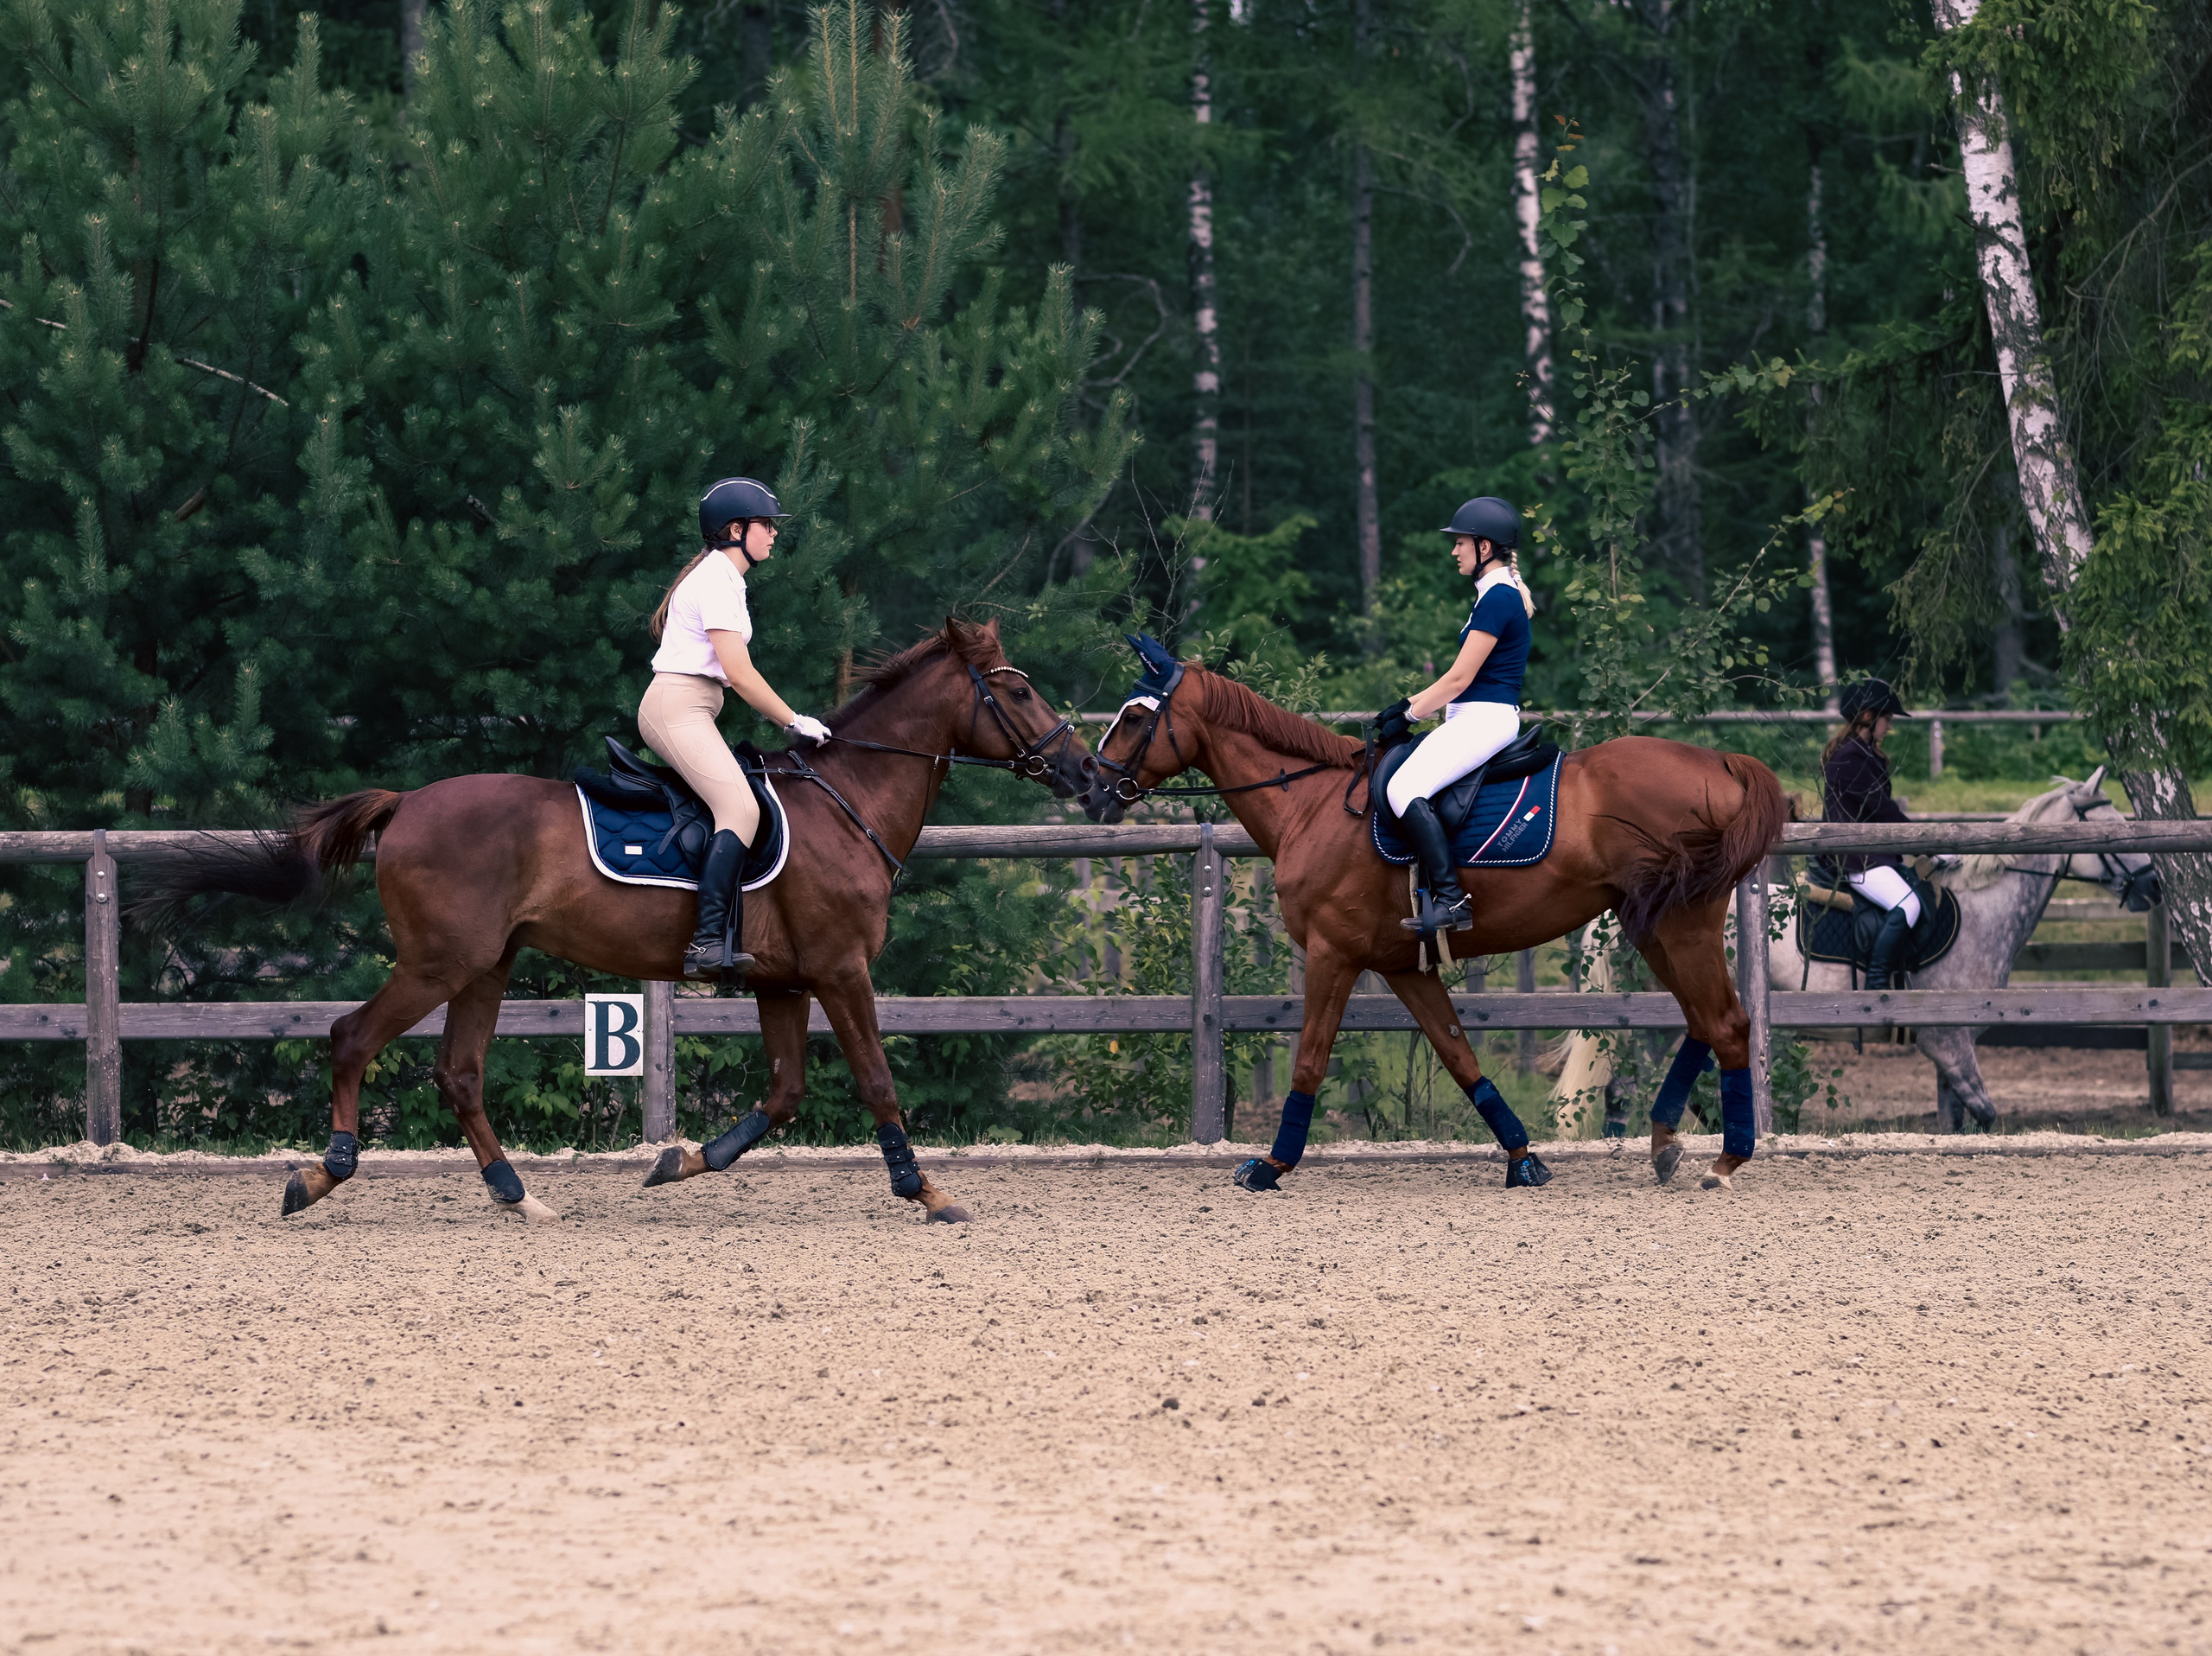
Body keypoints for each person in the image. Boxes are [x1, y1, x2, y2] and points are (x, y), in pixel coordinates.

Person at [640, 477, 831, 981]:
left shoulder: (726, 579)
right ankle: (705, 943)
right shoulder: (714, 580)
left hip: (693, 707)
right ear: (734, 529)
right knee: (740, 808)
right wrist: (793, 720)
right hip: (676, 707)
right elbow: (740, 673)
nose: (773, 535)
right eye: (766, 525)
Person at [1377, 495, 1538, 933]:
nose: (1454, 551)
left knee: (1404, 786)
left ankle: (1452, 900)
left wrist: (1407, 713)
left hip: (1483, 719)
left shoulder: (1498, 599)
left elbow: (1458, 679)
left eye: (1461, 543)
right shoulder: (1495, 596)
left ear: (1484, 548)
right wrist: (1406, 707)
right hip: (1473, 716)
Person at [1822, 678, 1917, 990]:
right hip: (1858, 859)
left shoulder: (1861, 753)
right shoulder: (1850, 757)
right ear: (1868, 717)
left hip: (1870, 854)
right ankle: (1877, 984)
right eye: (1886, 718)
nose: (1888, 726)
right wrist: (1929, 843)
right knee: (1908, 906)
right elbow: (1883, 810)